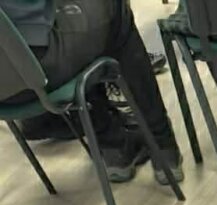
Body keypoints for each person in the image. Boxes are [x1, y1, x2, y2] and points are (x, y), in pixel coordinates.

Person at [0, 0, 182, 181]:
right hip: (37, 65)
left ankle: (114, 146)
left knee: (76, 16)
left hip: (7, 93)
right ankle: (162, 145)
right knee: (113, 10)